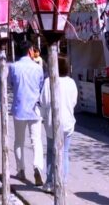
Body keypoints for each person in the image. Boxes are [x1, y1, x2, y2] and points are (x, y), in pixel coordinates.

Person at [8, 41, 46, 186]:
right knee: (36, 140)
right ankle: (37, 166)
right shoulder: (38, 68)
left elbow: (11, 84)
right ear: (30, 51)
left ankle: (21, 169)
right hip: (34, 107)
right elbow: (41, 85)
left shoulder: (14, 67)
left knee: (19, 140)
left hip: (19, 107)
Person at [41, 56, 78, 192]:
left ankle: (50, 182)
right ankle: (62, 182)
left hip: (52, 122)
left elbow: (44, 101)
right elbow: (74, 102)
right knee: (65, 152)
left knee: (51, 151)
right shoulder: (71, 82)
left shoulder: (48, 81)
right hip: (67, 122)